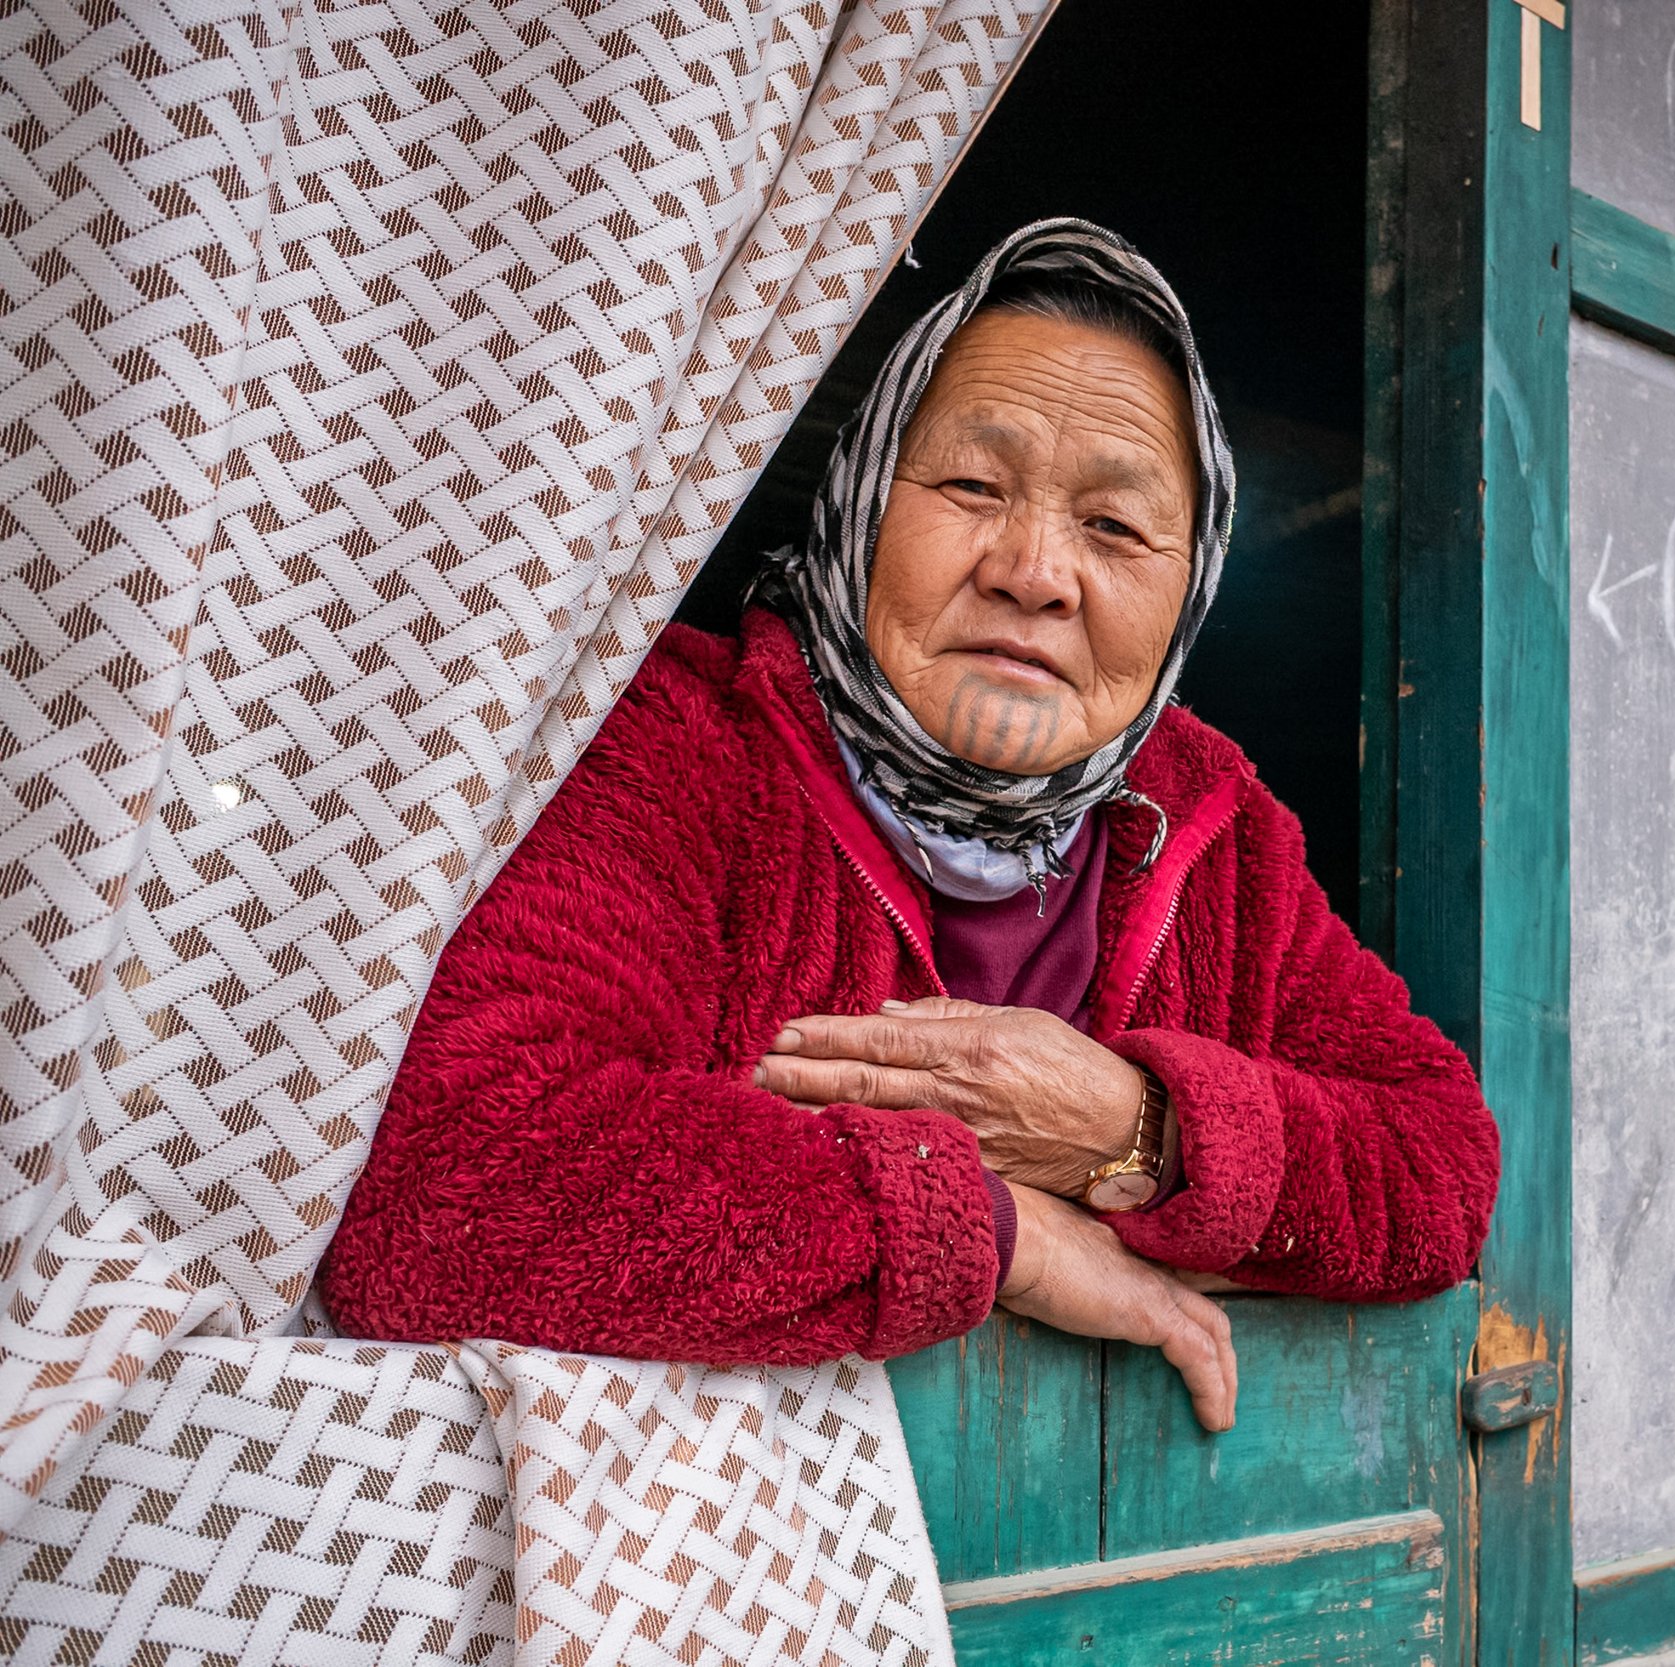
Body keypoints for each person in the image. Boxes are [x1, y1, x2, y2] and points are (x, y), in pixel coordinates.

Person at [318, 220, 1501, 1434]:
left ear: (1187, 580)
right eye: (973, 487)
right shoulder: (679, 744)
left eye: (1114, 526)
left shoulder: (1209, 827)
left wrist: (1134, 1131)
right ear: (861, 500)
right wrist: (991, 1226)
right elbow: (449, 1179)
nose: (1036, 571)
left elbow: (1439, 1162)